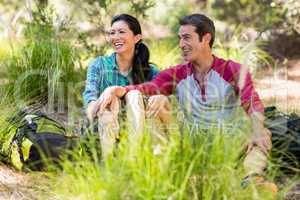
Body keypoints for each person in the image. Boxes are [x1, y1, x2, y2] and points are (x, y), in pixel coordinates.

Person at [95, 14, 278, 196]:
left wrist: (256, 127)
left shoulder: (232, 69)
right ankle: (162, 173)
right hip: (190, 142)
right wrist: (117, 89)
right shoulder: (178, 73)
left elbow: (252, 102)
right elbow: (149, 88)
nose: (181, 44)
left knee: (262, 130)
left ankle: (251, 180)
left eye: (187, 37)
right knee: (155, 103)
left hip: (227, 142)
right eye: (180, 38)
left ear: (206, 38)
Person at [82, 14, 172, 159]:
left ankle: (138, 159)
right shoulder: (99, 65)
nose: (115, 37)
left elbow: (165, 105)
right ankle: (108, 165)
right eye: (112, 33)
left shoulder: (151, 72)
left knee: (136, 95)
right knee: (108, 109)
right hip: (104, 130)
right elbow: (89, 101)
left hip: (139, 132)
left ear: (136, 38)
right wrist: (103, 107)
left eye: (121, 32)